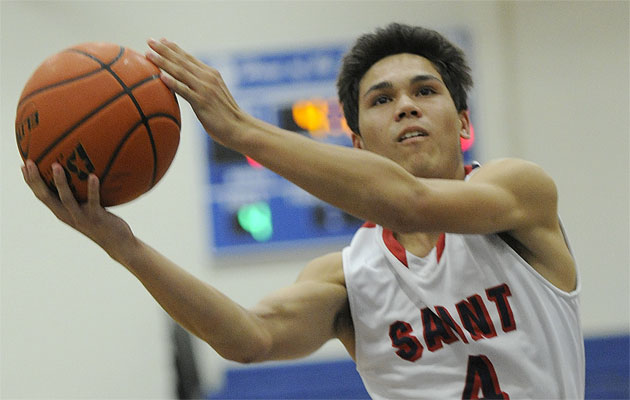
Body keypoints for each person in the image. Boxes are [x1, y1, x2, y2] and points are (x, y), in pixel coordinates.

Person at [22, 23, 584, 399]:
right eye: (381, 100)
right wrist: (122, 244)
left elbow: (408, 203)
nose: (406, 104)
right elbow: (249, 338)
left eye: (426, 91)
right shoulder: (348, 277)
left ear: (464, 123)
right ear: (359, 143)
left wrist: (242, 130)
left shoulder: (519, 195)